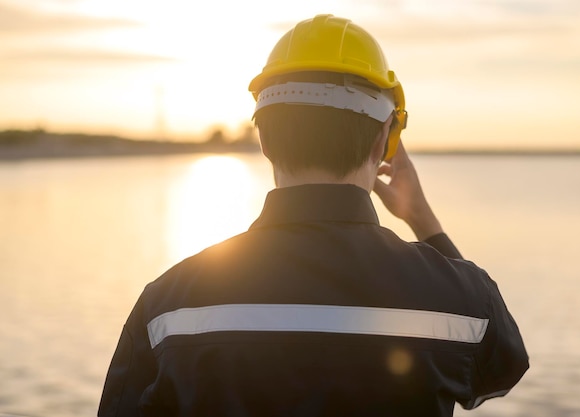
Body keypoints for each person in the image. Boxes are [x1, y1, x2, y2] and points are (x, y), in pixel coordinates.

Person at [98, 14, 528, 417]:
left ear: (264, 137)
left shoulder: (168, 308)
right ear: (385, 140)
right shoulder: (459, 302)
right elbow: (502, 367)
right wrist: (423, 220)